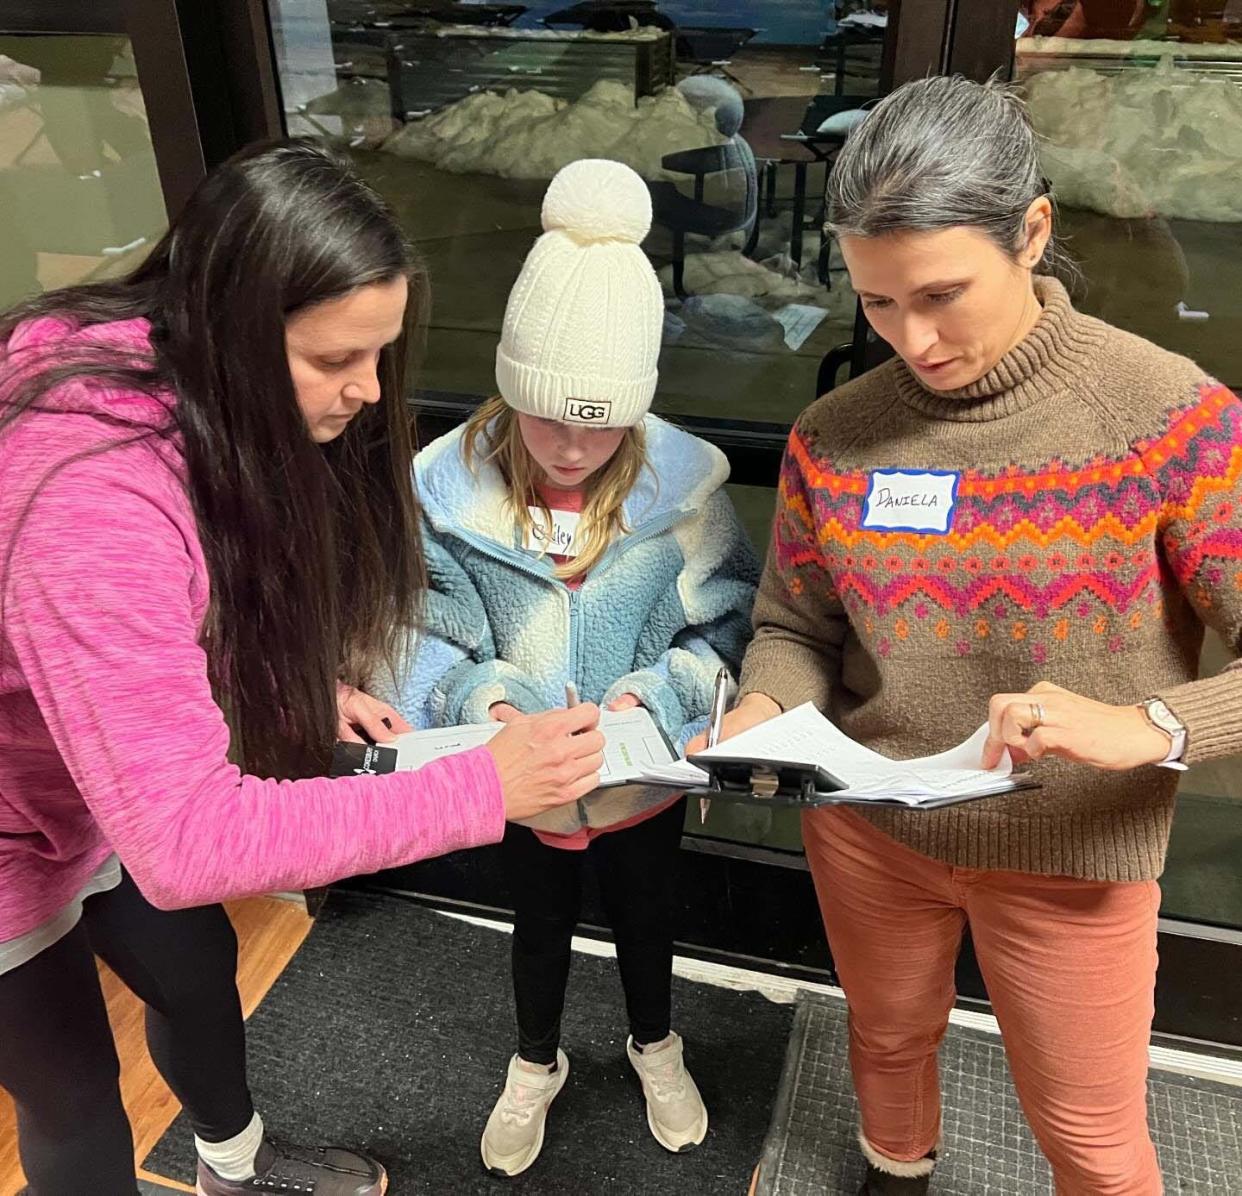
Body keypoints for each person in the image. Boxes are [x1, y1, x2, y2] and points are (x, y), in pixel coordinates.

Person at [0, 139, 604, 1196]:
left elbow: (178, 604)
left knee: (195, 974)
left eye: (378, 354)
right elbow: (186, 840)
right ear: (232, 333)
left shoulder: (176, 378)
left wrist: (310, 687)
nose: (369, 392)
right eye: (335, 361)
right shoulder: (87, 495)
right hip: (11, 825)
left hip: (85, 771)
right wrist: (481, 787)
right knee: (76, 1095)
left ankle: (234, 1167)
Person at [695, 76, 1242, 1195]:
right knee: (888, 1042)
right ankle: (896, 1176)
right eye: (880, 303)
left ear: (1033, 231)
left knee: (1090, 1133)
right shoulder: (834, 435)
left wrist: (1152, 723)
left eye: (943, 294)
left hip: (1071, 855)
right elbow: (797, 620)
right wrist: (765, 702)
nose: (915, 339)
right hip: (870, 827)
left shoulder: (1169, 417)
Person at [382, 158, 759, 1178]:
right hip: (526, 772)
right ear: (510, 383)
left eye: (601, 419)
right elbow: (422, 624)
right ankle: (534, 1058)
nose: (573, 444)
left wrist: (663, 692)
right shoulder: (450, 492)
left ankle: (656, 1043)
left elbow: (727, 622)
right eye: (549, 413)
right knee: (536, 924)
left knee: (649, 919)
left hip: (645, 774)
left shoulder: (685, 492)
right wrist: (482, 697)